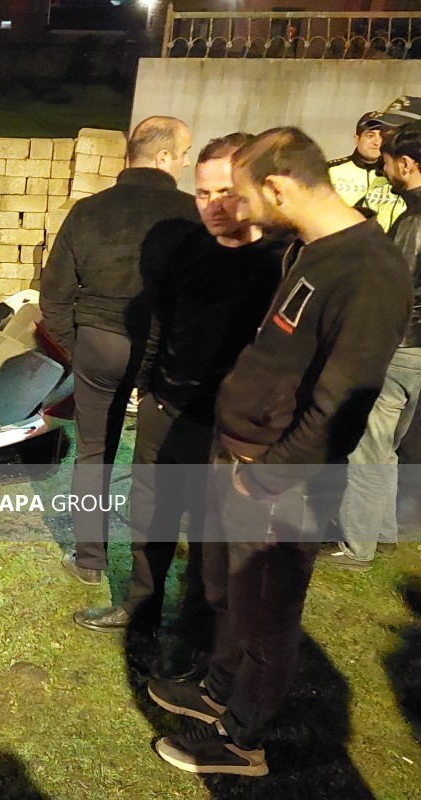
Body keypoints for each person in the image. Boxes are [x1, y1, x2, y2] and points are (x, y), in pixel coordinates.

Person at [147, 127, 412, 777]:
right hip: (237, 454)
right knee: (224, 592)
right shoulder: (311, 250)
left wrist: (266, 479)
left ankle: (243, 738)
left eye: (242, 196)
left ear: (277, 187)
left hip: (277, 480)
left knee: (265, 614)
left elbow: (340, 406)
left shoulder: (369, 272)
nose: (235, 209)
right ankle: (218, 690)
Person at [72, 135, 284, 673]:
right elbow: (161, 321)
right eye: (202, 193)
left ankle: (195, 640)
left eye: (225, 192)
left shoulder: (281, 262)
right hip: (167, 408)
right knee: (151, 518)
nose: (213, 205)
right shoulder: (188, 248)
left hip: (230, 425)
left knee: (212, 538)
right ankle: (139, 609)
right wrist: (149, 384)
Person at [40, 116, 198, 585]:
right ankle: (146, 578)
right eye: (184, 154)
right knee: (155, 462)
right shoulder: (191, 215)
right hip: (165, 349)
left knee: (94, 451)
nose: (185, 163)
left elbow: (54, 294)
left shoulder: (88, 211)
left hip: (98, 342)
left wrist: (77, 349)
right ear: (164, 157)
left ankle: (90, 560)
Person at [319, 121, 421, 570]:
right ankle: (381, 532)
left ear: (406, 164)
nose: (384, 169)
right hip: (416, 353)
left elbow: (397, 289)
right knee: (388, 446)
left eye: (389, 162)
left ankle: (356, 545)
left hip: (401, 347)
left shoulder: (413, 221)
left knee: (368, 446)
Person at [327, 108, 405, 231]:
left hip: (384, 241)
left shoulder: (398, 174)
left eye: (383, 137)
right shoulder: (330, 170)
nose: (377, 142)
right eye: (370, 135)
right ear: (356, 139)